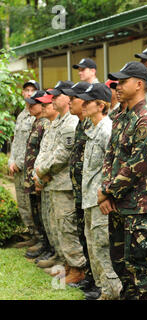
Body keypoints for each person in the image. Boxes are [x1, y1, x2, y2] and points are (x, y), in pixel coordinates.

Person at [99, 61, 147, 300]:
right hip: (117, 205)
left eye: (123, 82)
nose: (118, 86)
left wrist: (108, 192)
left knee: (140, 270)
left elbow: (138, 164)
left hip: (137, 207)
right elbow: (110, 155)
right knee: (120, 265)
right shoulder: (121, 116)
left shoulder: (146, 118)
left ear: (139, 84)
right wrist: (106, 190)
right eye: (117, 82)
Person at [35, 80, 87, 285]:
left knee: (67, 226)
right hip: (54, 182)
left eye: (58, 96)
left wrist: (43, 170)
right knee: (59, 226)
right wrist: (39, 173)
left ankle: (77, 268)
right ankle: (67, 264)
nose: (54, 99)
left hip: (64, 183)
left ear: (68, 98)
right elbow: (47, 150)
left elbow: (62, 155)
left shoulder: (70, 122)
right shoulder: (61, 121)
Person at [76, 83, 122, 300]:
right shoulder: (92, 129)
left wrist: (107, 194)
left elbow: (114, 166)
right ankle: (104, 291)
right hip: (90, 199)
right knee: (94, 247)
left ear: (101, 105)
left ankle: (112, 292)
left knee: (103, 248)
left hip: (101, 201)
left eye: (87, 102)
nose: (82, 105)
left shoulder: (106, 129)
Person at [62, 81, 96, 296]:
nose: (71, 101)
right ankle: (90, 277)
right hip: (80, 190)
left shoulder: (96, 124)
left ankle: (96, 280)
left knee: (94, 239)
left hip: (91, 192)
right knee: (84, 236)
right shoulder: (81, 124)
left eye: (74, 98)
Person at [32, 92, 62, 272]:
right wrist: (38, 174)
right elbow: (43, 152)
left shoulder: (65, 125)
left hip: (56, 181)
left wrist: (41, 174)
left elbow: (60, 156)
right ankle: (56, 254)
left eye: (47, 104)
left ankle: (71, 264)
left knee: (63, 226)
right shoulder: (51, 125)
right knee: (51, 222)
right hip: (46, 180)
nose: (43, 107)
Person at [22, 90, 52, 261]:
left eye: (34, 104)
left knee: (43, 213)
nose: (30, 106)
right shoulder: (36, 122)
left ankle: (46, 244)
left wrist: (40, 175)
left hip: (40, 177)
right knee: (36, 212)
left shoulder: (45, 124)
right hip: (32, 176)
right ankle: (42, 242)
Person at [9, 80, 37, 249]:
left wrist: (19, 163)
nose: (29, 93)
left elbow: (32, 144)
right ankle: (31, 234)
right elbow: (16, 141)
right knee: (22, 203)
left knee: (31, 203)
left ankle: (39, 238)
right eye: (26, 90)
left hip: (27, 168)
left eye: (32, 90)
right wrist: (11, 160)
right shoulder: (21, 115)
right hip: (17, 168)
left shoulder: (36, 115)